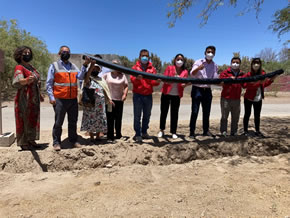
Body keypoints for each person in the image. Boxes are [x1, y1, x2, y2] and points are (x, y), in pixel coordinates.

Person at [46, 45, 86, 151]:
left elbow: (80, 77)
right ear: (59, 53)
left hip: (72, 99)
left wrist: (85, 66)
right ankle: (56, 142)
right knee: (58, 122)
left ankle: (73, 140)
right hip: (59, 99)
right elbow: (49, 83)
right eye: (63, 52)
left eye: (68, 52)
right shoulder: (54, 66)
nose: (66, 53)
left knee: (73, 121)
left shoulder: (73, 66)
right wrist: (51, 96)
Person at [12, 46, 44, 150]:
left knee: (33, 118)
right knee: (23, 118)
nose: (27, 54)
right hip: (24, 97)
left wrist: (40, 94)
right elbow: (18, 81)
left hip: (34, 98)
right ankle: (23, 142)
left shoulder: (31, 67)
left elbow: (37, 81)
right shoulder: (19, 67)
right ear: (20, 55)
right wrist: (26, 80)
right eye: (25, 53)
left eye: (29, 53)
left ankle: (31, 140)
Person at [130, 49, 161, 143]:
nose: (145, 57)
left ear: (149, 57)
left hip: (148, 95)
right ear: (139, 57)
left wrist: (157, 82)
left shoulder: (152, 69)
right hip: (138, 95)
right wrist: (137, 79)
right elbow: (132, 80)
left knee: (147, 115)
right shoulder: (135, 68)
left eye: (147, 56)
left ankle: (144, 132)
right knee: (137, 115)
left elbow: (153, 82)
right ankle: (138, 134)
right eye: (143, 55)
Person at [80, 58, 113, 143]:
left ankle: (98, 136)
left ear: (99, 70)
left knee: (100, 118)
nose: (95, 70)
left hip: (100, 104)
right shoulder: (88, 78)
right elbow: (86, 77)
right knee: (90, 119)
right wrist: (91, 66)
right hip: (90, 102)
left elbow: (106, 90)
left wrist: (109, 99)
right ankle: (91, 136)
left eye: (96, 69)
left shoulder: (101, 79)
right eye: (93, 69)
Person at [242, 58, 277, 137]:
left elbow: (265, 84)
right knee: (247, 114)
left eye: (258, 63)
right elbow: (244, 86)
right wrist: (258, 83)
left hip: (258, 98)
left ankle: (257, 131)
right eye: (254, 63)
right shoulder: (248, 75)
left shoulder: (263, 73)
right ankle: (245, 130)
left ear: (260, 64)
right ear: (251, 64)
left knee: (257, 115)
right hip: (248, 98)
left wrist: (272, 79)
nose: (256, 64)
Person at [189, 46, 218, 138]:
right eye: (208, 52)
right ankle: (192, 132)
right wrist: (198, 68)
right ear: (205, 53)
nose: (210, 54)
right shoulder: (198, 62)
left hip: (207, 91)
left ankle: (206, 131)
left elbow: (215, 78)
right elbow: (192, 74)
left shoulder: (215, 65)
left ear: (214, 54)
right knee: (194, 111)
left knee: (206, 112)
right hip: (197, 89)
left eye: (212, 52)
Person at [158, 54, 188, 139]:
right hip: (166, 94)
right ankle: (161, 130)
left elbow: (183, 84)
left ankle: (173, 132)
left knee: (174, 114)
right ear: (174, 60)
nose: (179, 61)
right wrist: (169, 82)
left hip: (176, 95)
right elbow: (164, 79)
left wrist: (185, 85)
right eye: (178, 59)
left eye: (181, 59)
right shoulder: (169, 68)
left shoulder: (185, 72)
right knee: (164, 112)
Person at [104, 59, 128, 141]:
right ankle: (110, 136)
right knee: (110, 119)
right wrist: (106, 97)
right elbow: (102, 85)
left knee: (118, 119)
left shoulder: (123, 76)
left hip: (119, 100)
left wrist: (125, 94)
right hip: (109, 100)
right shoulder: (107, 75)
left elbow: (126, 86)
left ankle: (118, 135)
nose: (114, 65)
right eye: (113, 64)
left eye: (116, 64)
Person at [219, 57, 245, 137]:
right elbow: (220, 81)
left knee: (235, 117)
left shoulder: (242, 74)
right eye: (234, 62)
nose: (235, 64)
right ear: (231, 63)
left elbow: (244, 85)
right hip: (225, 98)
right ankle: (223, 131)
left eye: (237, 62)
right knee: (224, 116)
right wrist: (228, 79)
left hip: (237, 99)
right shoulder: (225, 72)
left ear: (240, 64)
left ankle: (234, 132)